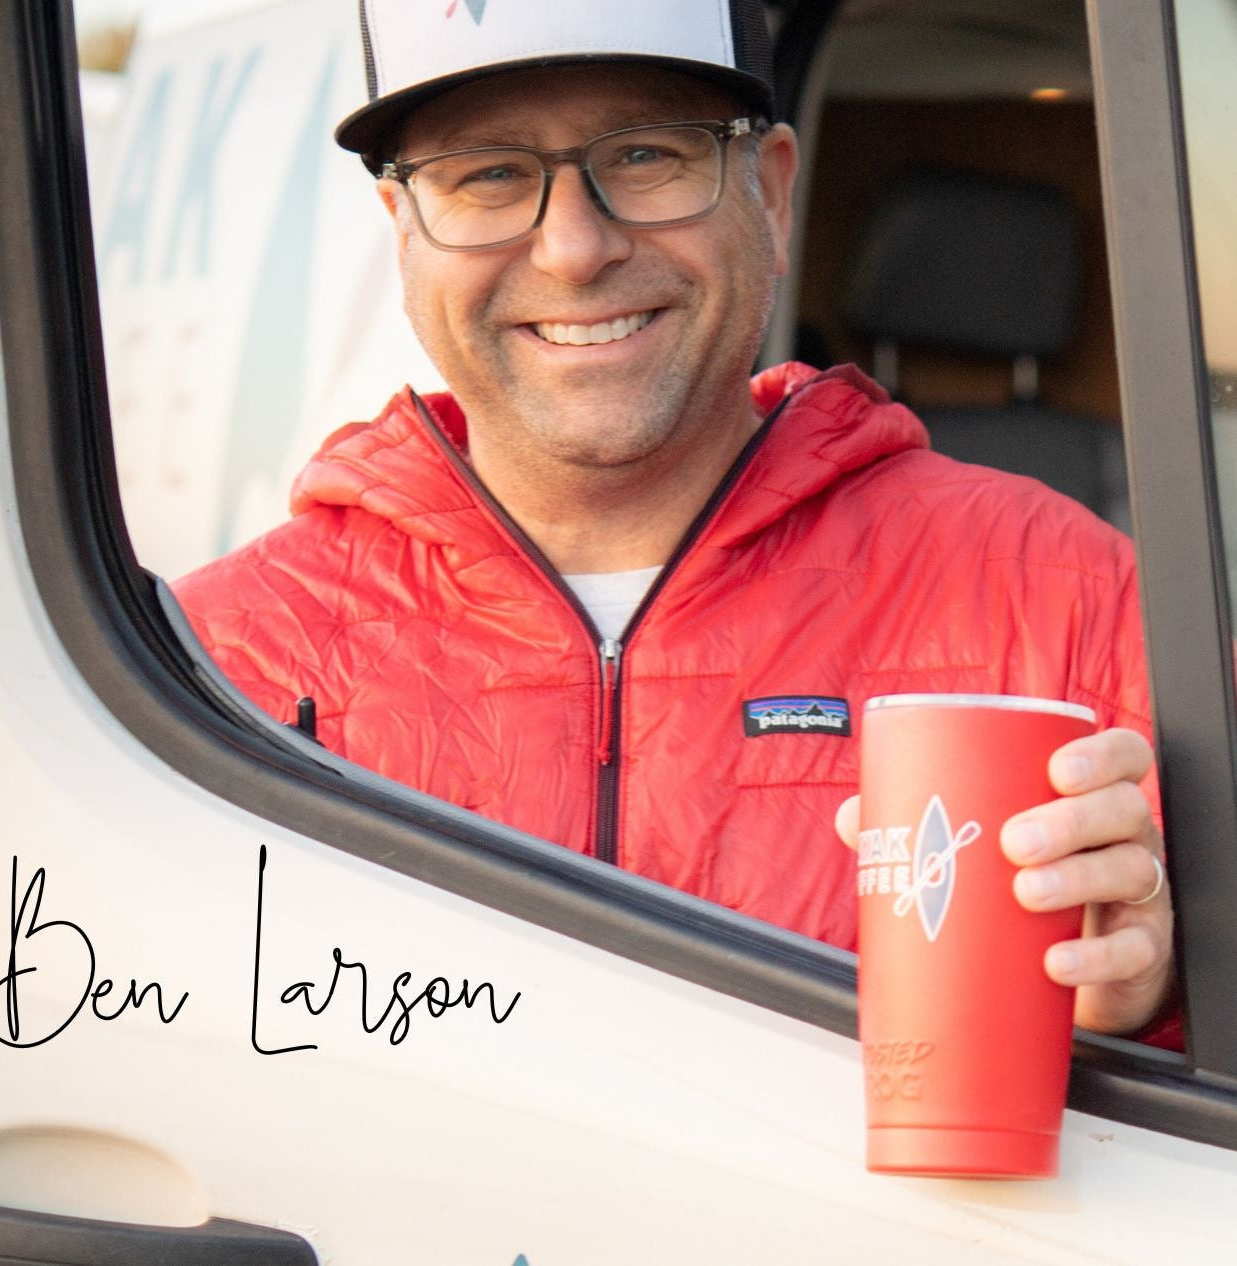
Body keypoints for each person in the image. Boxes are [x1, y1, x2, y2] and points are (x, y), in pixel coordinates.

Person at [175, 0, 1175, 1041]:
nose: (572, 248)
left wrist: (1155, 1002)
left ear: (774, 194)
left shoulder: (1083, 608)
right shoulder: (208, 666)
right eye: (487, 174)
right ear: (404, 232)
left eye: (648, 154)